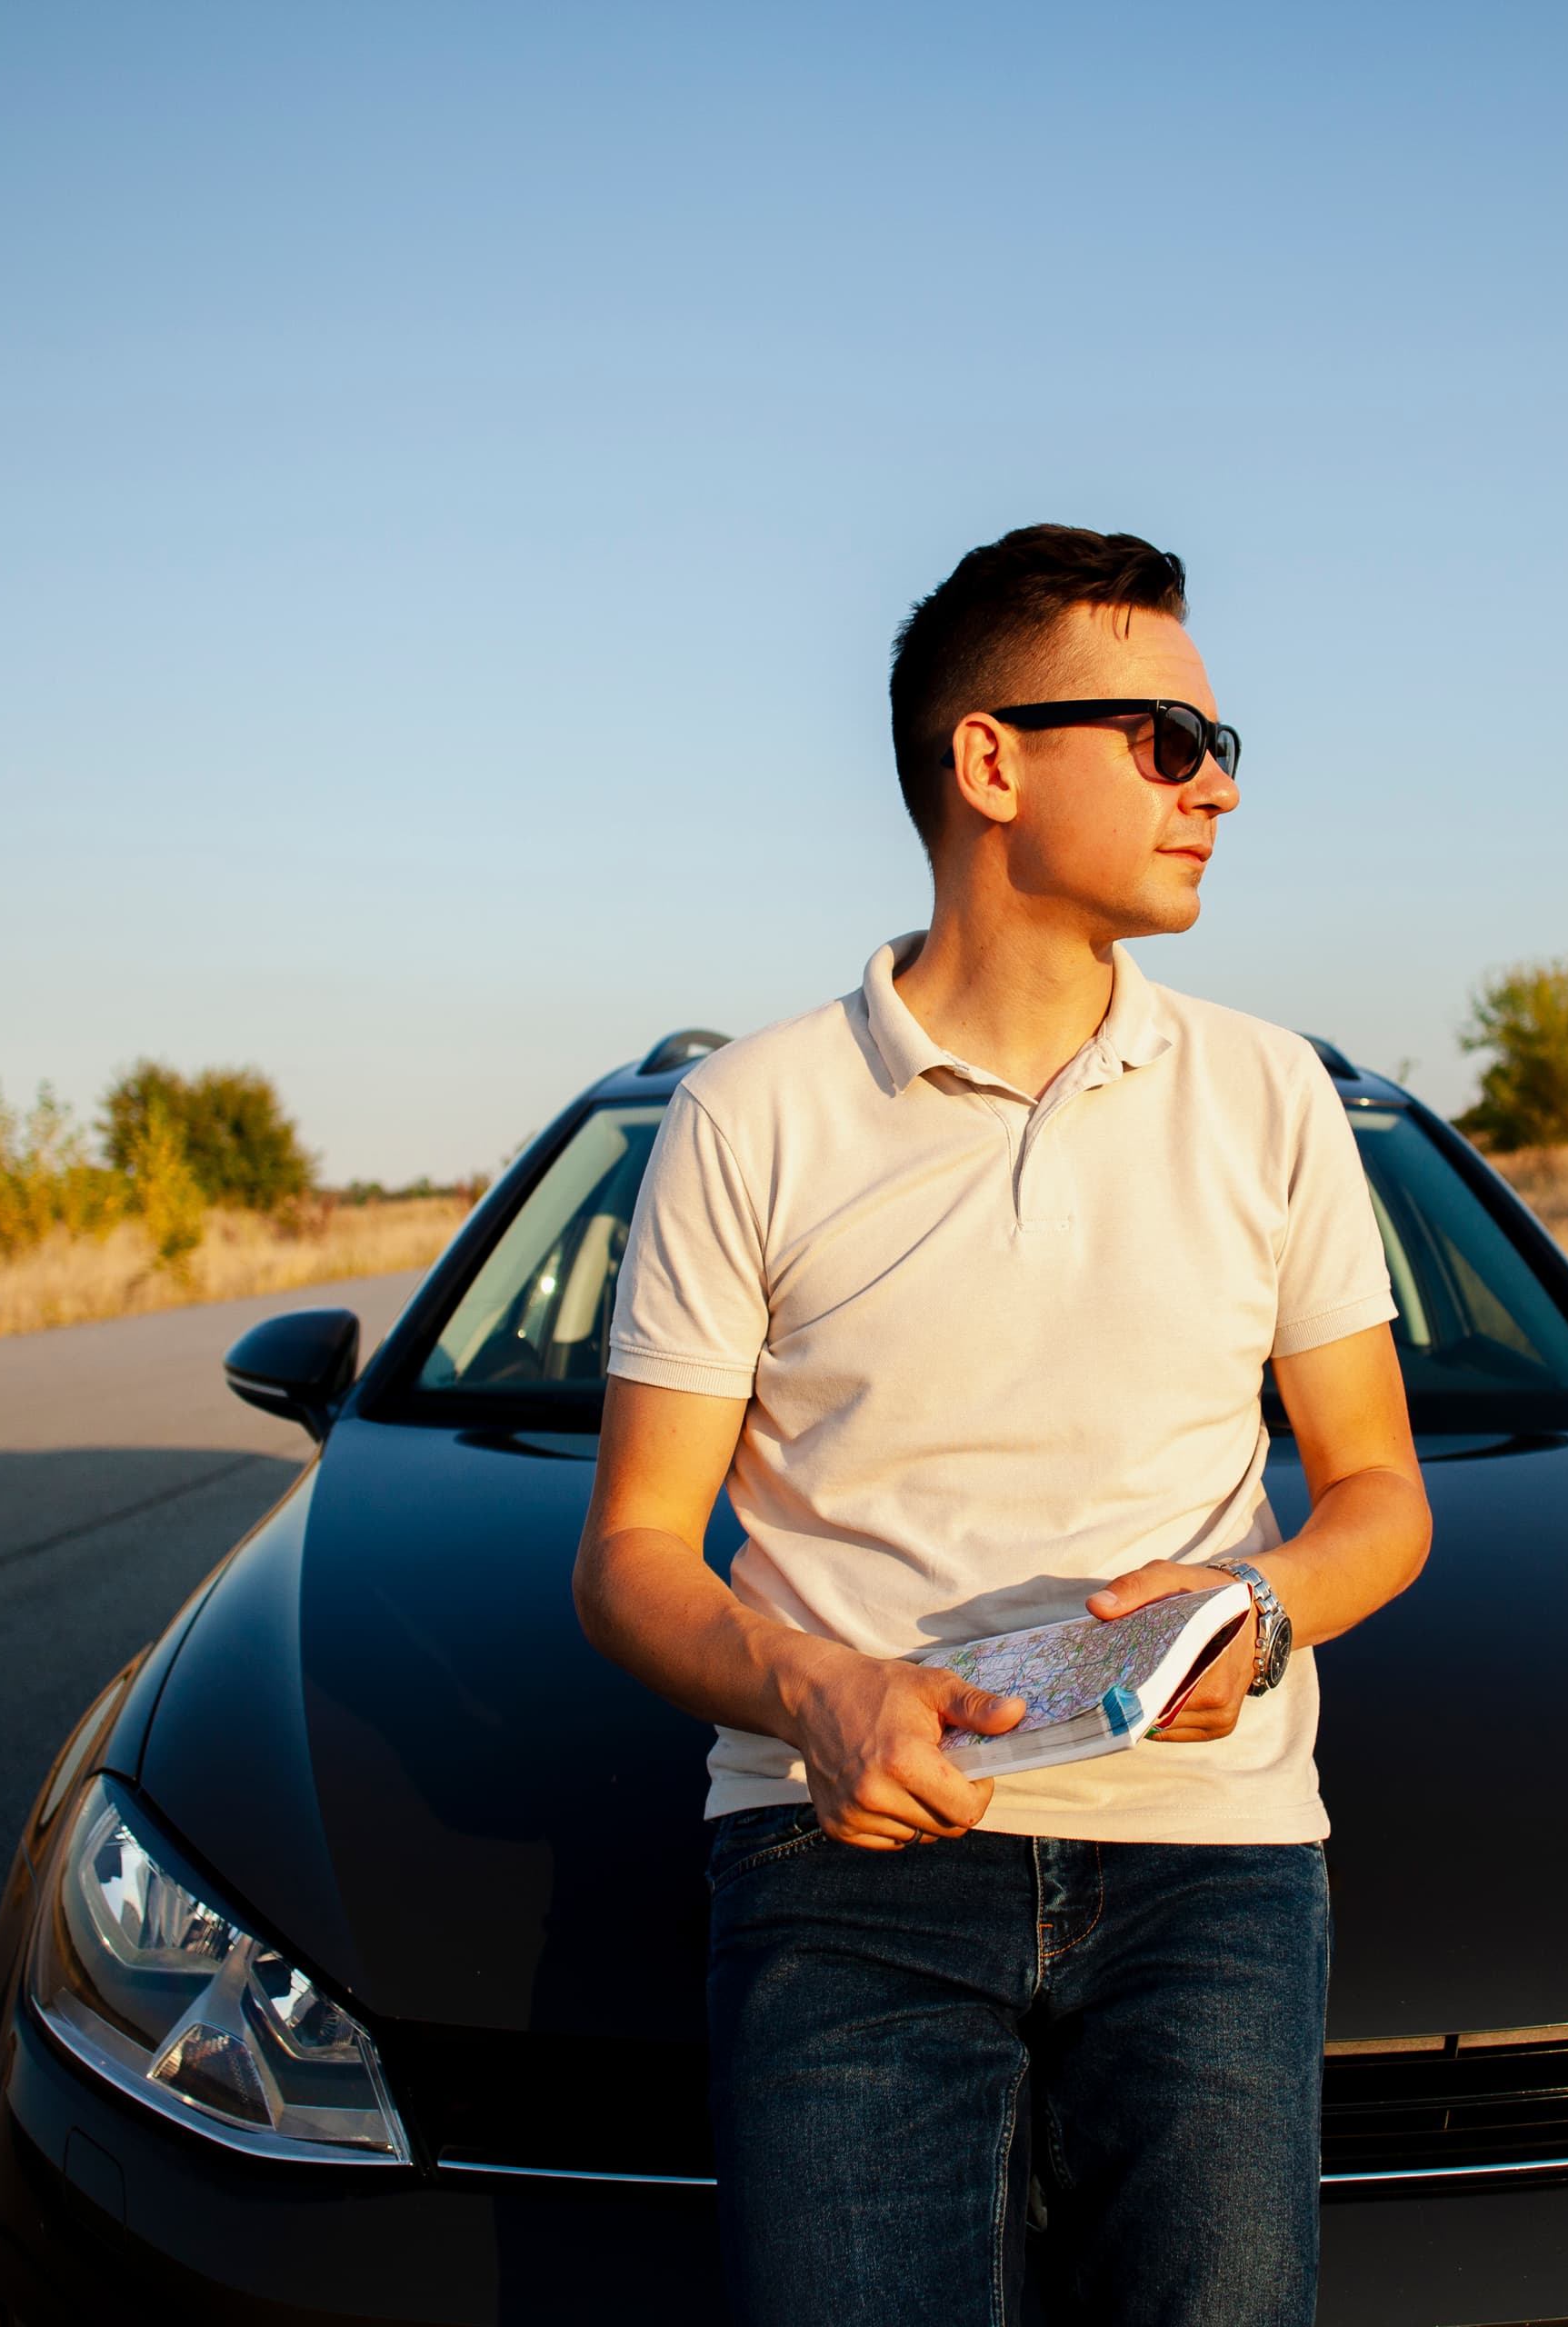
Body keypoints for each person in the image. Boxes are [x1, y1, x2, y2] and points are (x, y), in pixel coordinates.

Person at [572, 524, 1433, 2327]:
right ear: (990, 760)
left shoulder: (1275, 1092)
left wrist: (1254, 1610)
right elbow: (633, 1556)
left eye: (1223, 750)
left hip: (1214, 1855)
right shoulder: (751, 1115)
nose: (1219, 791)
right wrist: (815, 1688)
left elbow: (1376, 1496)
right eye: (1171, 742)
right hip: (843, 1862)